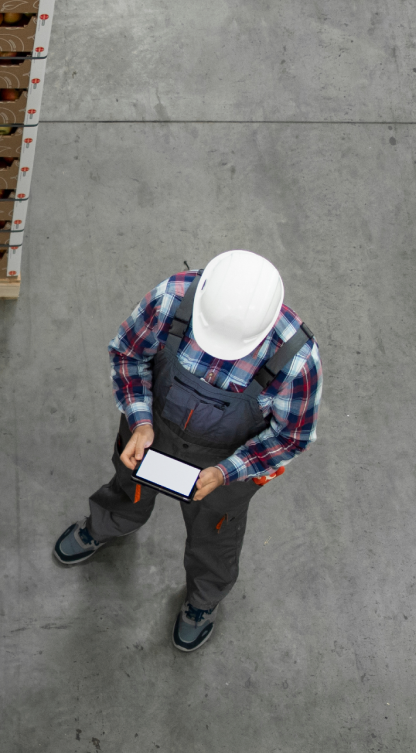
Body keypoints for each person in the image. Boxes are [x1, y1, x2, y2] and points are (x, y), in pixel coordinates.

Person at [52, 250, 321, 652]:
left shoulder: (297, 362)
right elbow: (128, 355)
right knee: (128, 484)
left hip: (224, 465)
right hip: (152, 430)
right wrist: (141, 421)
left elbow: (290, 438)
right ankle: (108, 523)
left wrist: (227, 471)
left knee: (216, 533)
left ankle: (202, 600)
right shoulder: (171, 298)